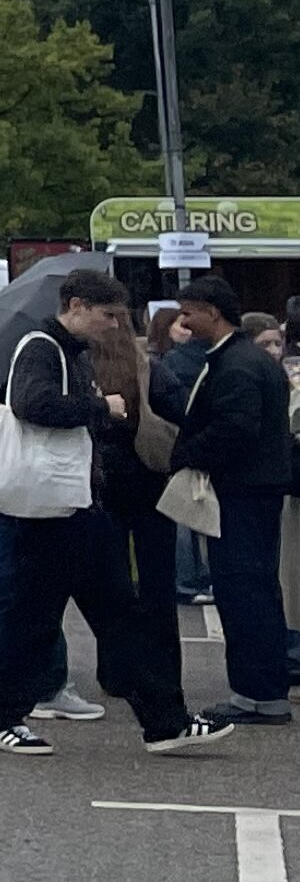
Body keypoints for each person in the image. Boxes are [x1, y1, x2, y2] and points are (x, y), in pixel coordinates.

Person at [0, 269, 227, 759]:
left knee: (115, 616)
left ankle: (164, 721)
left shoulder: (68, 351)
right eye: (107, 315)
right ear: (77, 305)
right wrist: (98, 406)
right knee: (40, 619)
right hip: (50, 510)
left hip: (75, 507)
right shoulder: (42, 346)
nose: (114, 326)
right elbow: (30, 405)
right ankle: (2, 717)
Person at [163, 276, 293, 726]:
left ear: (212, 312)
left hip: (241, 491)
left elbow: (236, 430)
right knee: (255, 589)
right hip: (257, 489)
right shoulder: (249, 359)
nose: (183, 322)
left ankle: (256, 695)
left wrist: (187, 453)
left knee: (243, 592)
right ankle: (262, 691)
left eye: (189, 312)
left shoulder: (235, 365)